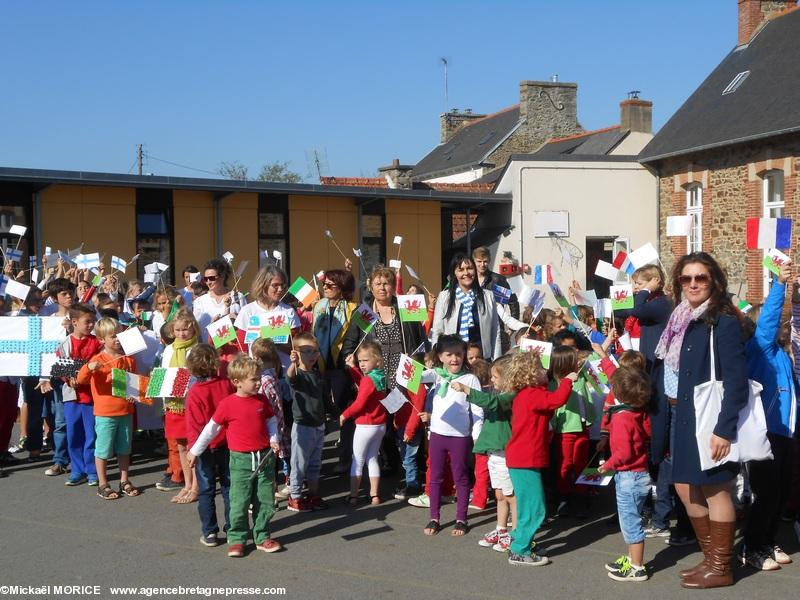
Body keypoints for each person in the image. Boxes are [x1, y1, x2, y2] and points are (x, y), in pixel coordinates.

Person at [654, 251, 748, 589]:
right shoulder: (683, 318)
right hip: (684, 416)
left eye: (701, 278)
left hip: (710, 419)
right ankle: (711, 558)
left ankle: (721, 566)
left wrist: (724, 429)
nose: (693, 284)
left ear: (714, 282)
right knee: (684, 485)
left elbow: (736, 381)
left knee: (715, 489)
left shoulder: (722, 321)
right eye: (686, 278)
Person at [188, 354, 282, 557]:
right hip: (240, 460)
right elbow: (211, 429)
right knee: (239, 501)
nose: (259, 383)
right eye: (254, 380)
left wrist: (274, 438)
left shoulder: (262, 400)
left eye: (259, 378)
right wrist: (195, 450)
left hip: (265, 457)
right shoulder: (227, 404)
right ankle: (237, 538)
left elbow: (271, 421)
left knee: (265, 500)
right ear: (237, 382)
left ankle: (262, 536)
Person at [740, 263, 795, 570]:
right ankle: (751, 545)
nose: (783, 324)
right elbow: (770, 319)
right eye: (779, 322)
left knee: (781, 492)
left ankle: (769, 540)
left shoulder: (782, 354)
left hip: (787, 433)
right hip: (766, 432)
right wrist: (779, 284)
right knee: (766, 493)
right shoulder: (760, 348)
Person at [502, 350, 576, 566]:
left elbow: (546, 408)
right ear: (531, 374)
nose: (546, 371)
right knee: (536, 507)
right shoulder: (532, 394)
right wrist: (567, 381)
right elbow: (558, 399)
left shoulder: (527, 394)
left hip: (522, 459)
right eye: (541, 369)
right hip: (525, 459)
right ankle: (519, 549)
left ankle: (522, 540)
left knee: (528, 504)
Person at [417, 335, 483, 537]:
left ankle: (461, 518)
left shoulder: (470, 379)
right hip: (437, 435)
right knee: (435, 478)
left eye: (458, 354)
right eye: (449, 355)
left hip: (460, 437)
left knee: (461, 477)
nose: (454, 359)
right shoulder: (437, 375)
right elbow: (415, 377)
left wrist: (476, 434)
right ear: (440, 356)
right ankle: (434, 517)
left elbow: (478, 408)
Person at [454, 355, 516, 552]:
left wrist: (467, 390)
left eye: (495, 377)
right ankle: (501, 529)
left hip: (505, 454)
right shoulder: (500, 395)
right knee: (499, 494)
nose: (492, 381)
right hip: (493, 453)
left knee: (511, 495)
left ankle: (516, 533)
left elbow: (492, 404)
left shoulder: (510, 396)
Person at [75, 318, 140, 500]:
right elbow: (80, 380)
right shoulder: (97, 359)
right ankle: (103, 483)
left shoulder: (128, 359)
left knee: (124, 448)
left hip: (126, 411)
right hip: (105, 413)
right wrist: (89, 367)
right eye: (113, 336)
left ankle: (124, 480)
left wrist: (133, 394)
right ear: (102, 339)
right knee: (103, 450)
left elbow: (133, 383)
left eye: (120, 335)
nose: (118, 339)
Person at [600, 366, 653, 582]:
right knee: (633, 518)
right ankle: (631, 558)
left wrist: (607, 465)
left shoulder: (622, 418)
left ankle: (637, 566)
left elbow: (623, 452)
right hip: (641, 473)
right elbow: (647, 433)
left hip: (628, 476)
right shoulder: (639, 412)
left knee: (631, 523)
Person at [185, 343, 234, 547]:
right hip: (228, 443)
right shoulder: (226, 384)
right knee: (229, 488)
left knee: (206, 490)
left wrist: (192, 450)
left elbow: (194, 425)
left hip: (204, 448)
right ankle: (233, 528)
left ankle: (210, 532)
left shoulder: (195, 392)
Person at [311, 268, 358, 473]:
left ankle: (346, 458)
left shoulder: (353, 308)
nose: (325, 288)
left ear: (342, 288)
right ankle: (316, 461)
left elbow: (358, 337)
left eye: (331, 285)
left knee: (344, 413)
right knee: (320, 414)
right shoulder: (318, 306)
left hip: (341, 368)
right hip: (319, 367)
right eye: (325, 284)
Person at [157, 309, 200, 504]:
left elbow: (200, 375)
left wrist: (182, 382)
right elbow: (163, 373)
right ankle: (187, 483)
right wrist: (158, 387)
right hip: (173, 404)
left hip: (191, 403)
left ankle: (196, 486)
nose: (182, 333)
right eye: (178, 330)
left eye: (185, 329)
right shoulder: (168, 349)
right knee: (181, 445)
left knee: (194, 446)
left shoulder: (198, 349)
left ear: (193, 329)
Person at [549, 345, 595, 518]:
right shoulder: (554, 384)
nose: (578, 362)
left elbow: (594, 359)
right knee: (565, 465)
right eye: (575, 360)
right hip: (564, 430)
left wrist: (604, 344)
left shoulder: (581, 377)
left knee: (582, 464)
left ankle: (582, 497)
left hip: (582, 428)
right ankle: (564, 498)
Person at [286, 332, 329, 512]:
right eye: (307, 351)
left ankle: (313, 494)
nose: (312, 355)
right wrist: (293, 364)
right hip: (303, 425)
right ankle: (294, 497)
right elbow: (291, 378)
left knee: (314, 463)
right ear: (296, 353)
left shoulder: (317, 373)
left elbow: (324, 397)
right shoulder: (298, 374)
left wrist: (335, 413)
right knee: (299, 463)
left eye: (315, 351)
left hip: (318, 424)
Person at [61, 304, 103, 486]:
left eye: (93, 321)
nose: (91, 324)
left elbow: (102, 361)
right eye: (87, 321)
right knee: (73, 434)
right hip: (73, 396)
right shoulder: (66, 343)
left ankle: (92, 470)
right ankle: (77, 469)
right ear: (74, 322)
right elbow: (61, 366)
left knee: (91, 435)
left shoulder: (96, 342)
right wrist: (69, 378)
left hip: (92, 396)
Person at [341, 341, 388, 505]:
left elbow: (360, 403)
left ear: (377, 360)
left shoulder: (368, 380)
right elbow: (364, 383)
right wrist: (353, 369)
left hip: (365, 425)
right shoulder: (380, 376)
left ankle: (354, 495)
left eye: (365, 360)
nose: (362, 364)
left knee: (358, 460)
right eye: (360, 361)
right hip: (380, 425)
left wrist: (344, 415)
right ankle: (374, 495)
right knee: (373, 458)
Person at [432, 254, 501, 361]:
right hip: (455, 359)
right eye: (461, 270)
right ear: (454, 273)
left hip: (481, 359)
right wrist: (437, 357)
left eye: (469, 268)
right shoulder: (445, 297)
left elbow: (495, 331)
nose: (466, 273)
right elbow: (438, 330)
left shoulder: (488, 296)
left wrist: (497, 360)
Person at [234, 265, 300, 368]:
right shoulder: (247, 311)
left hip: (285, 373)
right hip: (256, 374)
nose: (280, 289)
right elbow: (241, 347)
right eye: (275, 285)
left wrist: (273, 341)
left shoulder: (288, 311)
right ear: (263, 285)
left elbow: (296, 346)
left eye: (283, 285)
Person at [192, 258, 243, 333]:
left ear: (222, 277)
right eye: (205, 279)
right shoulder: (200, 301)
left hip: (232, 343)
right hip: (207, 344)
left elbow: (244, 323)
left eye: (211, 278)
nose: (208, 282)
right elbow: (195, 329)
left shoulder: (237, 297)